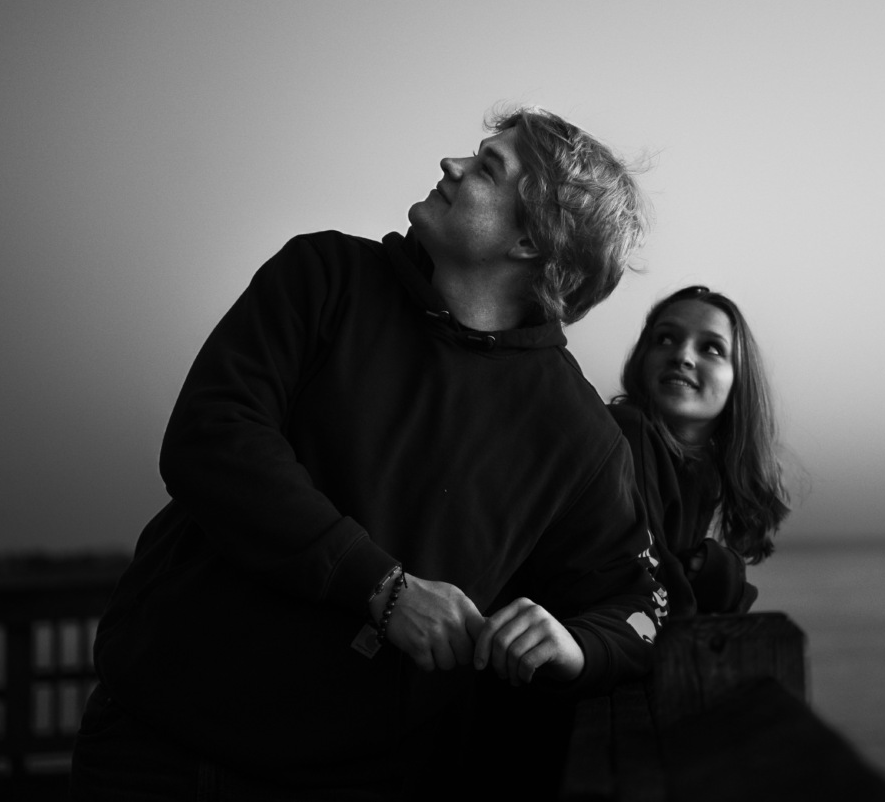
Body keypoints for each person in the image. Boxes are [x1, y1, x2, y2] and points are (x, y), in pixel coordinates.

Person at [71, 106, 662, 800]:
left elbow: (640, 604)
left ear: (533, 238)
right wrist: (383, 588)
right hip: (153, 744)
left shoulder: (580, 436)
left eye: (486, 168)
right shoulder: (324, 276)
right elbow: (213, 437)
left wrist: (576, 644)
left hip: (354, 780)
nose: (451, 165)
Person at [609, 286, 789, 618]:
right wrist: (726, 577)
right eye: (665, 339)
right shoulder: (626, 433)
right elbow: (648, 591)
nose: (682, 356)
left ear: (739, 378)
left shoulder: (700, 474)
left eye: (711, 348)